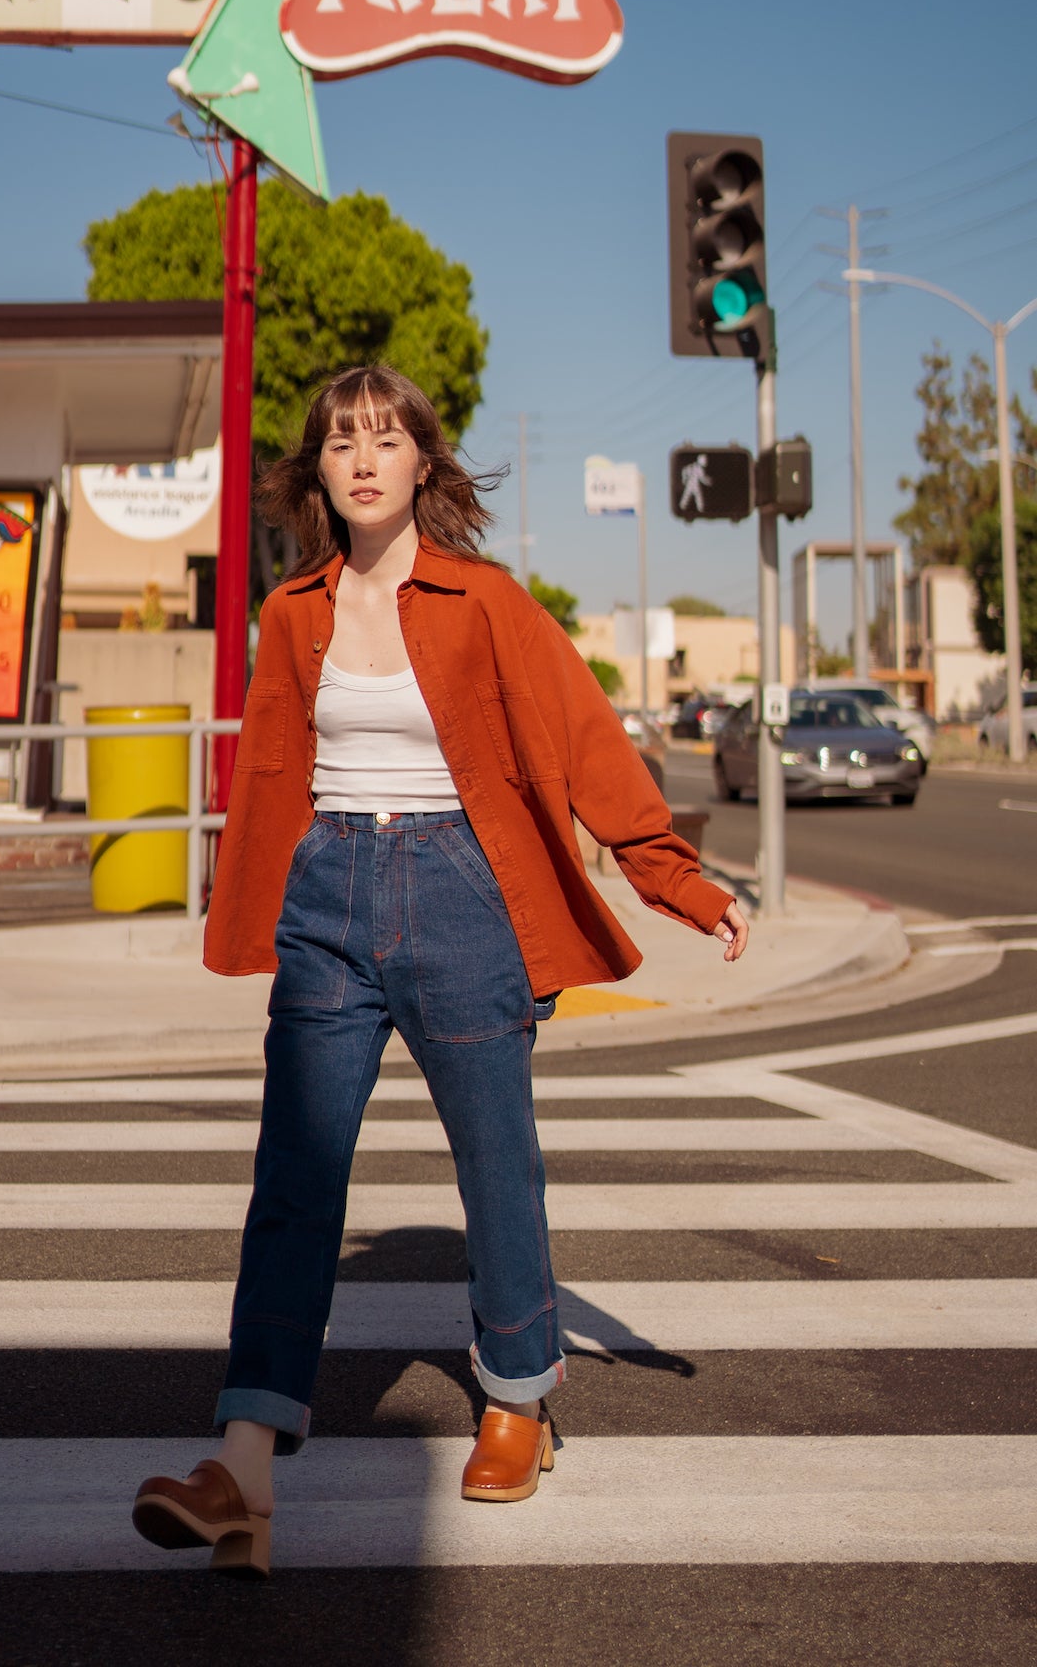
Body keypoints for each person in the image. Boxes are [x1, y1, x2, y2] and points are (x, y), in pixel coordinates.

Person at [131, 365, 749, 1577]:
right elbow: (268, 775)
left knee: (493, 1162)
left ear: (424, 464)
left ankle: (518, 1396)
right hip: (328, 902)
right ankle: (242, 1470)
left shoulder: (486, 601)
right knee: (294, 1180)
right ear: (318, 473)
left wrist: (674, 876)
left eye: (385, 439)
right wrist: (252, 914)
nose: (362, 459)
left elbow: (583, 741)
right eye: (341, 443)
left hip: (462, 898)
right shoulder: (294, 612)